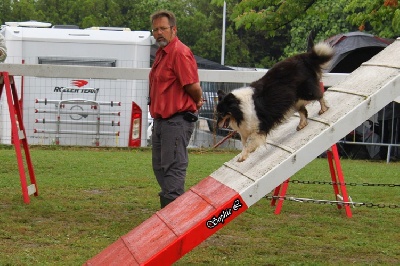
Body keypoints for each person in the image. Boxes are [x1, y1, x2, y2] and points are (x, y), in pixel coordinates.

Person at [148, 10, 204, 209]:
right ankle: (172, 210)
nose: (158, 33)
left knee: (172, 167)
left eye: (163, 28)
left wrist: (197, 101)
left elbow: (192, 86)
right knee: (160, 167)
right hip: (162, 120)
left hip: (176, 119)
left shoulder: (179, 52)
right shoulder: (162, 54)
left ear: (174, 29)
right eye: (155, 29)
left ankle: (173, 213)